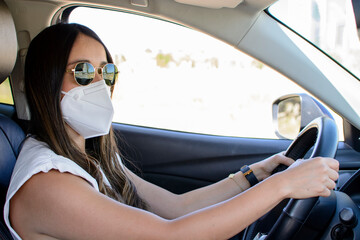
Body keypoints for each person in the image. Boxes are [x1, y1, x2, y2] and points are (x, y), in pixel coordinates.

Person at [3, 23, 339, 240]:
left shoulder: (87, 155)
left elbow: (177, 208)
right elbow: (173, 234)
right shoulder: (48, 183)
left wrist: (255, 176)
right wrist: (284, 185)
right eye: (83, 71)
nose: (99, 84)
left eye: (107, 72)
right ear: (45, 80)